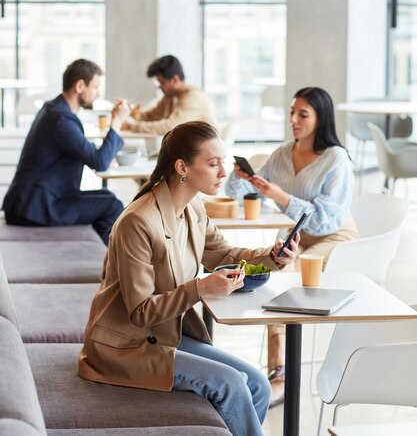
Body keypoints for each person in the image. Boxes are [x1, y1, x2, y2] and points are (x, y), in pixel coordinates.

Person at [78, 121, 299, 436]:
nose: (224, 172)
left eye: (223, 161)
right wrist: (201, 288)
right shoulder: (138, 222)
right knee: (233, 386)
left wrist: (272, 256)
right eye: (213, 164)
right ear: (182, 166)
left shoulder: (193, 206)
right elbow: (140, 312)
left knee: (259, 385)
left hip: (167, 334)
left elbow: (223, 255)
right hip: (126, 345)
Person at [226, 86, 357, 407]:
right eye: (291, 112)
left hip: (334, 237)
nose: (293, 120)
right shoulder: (283, 153)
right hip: (296, 235)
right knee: (275, 283)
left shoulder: (336, 159)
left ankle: (281, 374)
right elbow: (233, 192)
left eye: (303, 114)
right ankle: (279, 369)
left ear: (320, 117)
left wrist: (277, 195)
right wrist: (240, 176)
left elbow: (325, 221)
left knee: (288, 281)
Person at [2, 58, 130, 244]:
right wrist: (116, 123)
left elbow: (84, 150)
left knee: (108, 198)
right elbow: (99, 162)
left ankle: (101, 256)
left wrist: (103, 154)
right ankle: (110, 265)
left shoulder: (54, 110)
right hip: (36, 208)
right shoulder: (62, 120)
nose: (98, 93)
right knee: (111, 205)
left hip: (31, 203)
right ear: (80, 86)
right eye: (95, 87)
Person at [122, 54, 216, 135]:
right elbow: (151, 117)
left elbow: (171, 127)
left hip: (205, 153)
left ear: (175, 80)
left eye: (162, 83)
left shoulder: (194, 98)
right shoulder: (170, 96)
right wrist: (131, 111)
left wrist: (130, 126)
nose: (159, 87)